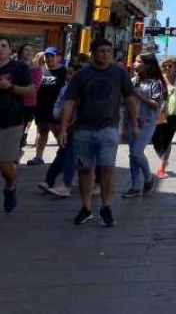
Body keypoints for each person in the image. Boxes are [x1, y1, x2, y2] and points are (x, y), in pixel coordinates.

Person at [60, 38, 139, 227]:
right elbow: (69, 102)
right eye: (102, 51)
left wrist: (135, 123)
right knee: (85, 169)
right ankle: (86, 208)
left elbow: (129, 99)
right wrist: (63, 128)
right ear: (93, 53)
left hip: (109, 128)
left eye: (109, 52)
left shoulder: (119, 72)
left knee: (107, 168)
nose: (106, 55)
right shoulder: (82, 75)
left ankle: (106, 207)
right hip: (83, 129)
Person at [39, 58, 85, 197]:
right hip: (67, 128)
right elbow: (59, 107)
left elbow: (80, 113)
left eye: (72, 74)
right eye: (68, 73)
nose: (68, 76)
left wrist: (66, 126)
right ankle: (49, 180)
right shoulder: (65, 89)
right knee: (62, 155)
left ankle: (66, 185)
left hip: (78, 129)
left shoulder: (83, 91)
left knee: (70, 156)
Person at [0, 36, 36, 212]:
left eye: (3, 45)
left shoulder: (19, 68)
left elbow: (30, 91)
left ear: (9, 49)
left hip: (10, 121)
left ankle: (10, 187)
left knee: (5, 165)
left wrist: (10, 87)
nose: (0, 49)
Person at [122, 54, 165, 198]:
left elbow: (157, 104)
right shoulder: (133, 81)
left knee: (136, 152)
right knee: (132, 155)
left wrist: (140, 96)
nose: (135, 64)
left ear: (148, 65)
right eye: (135, 61)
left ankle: (148, 178)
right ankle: (135, 186)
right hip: (131, 122)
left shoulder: (155, 83)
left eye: (138, 61)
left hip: (147, 123)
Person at [152, 56, 176, 179]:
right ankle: (163, 158)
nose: (167, 68)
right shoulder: (158, 80)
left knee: (167, 139)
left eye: (170, 66)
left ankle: (162, 167)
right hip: (160, 113)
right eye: (165, 66)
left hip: (175, 114)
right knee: (155, 138)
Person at [28, 46, 67, 166]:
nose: (49, 58)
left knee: (58, 132)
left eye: (52, 56)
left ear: (58, 57)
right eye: (47, 55)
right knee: (42, 131)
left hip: (56, 108)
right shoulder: (40, 70)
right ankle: (38, 157)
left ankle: (65, 156)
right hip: (41, 107)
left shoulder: (64, 71)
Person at [17, 44, 39, 150]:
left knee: (22, 128)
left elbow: (34, 89)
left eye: (31, 50)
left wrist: (15, 88)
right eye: (26, 50)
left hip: (29, 103)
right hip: (13, 102)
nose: (29, 52)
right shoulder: (14, 66)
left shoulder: (36, 69)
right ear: (21, 52)